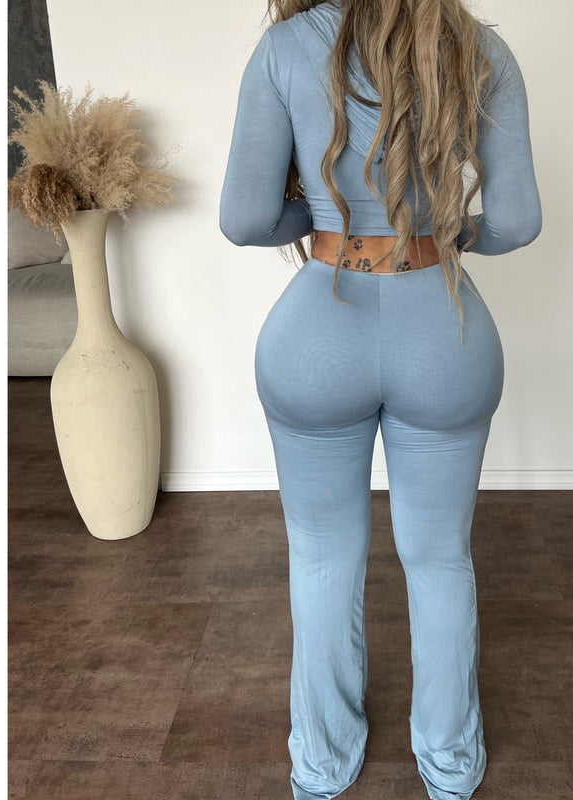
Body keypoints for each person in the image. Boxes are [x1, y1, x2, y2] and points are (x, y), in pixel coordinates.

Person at [219, 1, 542, 799]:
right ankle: (450, 764)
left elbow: (244, 219)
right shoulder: (479, 49)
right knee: (440, 557)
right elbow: (517, 221)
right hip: (444, 335)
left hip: (316, 338)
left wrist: (320, 218)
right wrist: (449, 233)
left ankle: (322, 765)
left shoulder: (284, 48)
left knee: (321, 553)